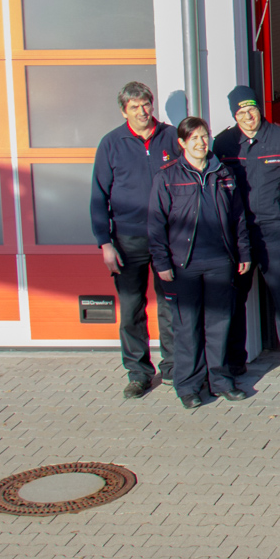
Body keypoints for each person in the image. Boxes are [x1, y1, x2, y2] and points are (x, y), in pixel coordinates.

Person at [148, 118, 253, 408]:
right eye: (193, 138)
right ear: (181, 143)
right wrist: (162, 262)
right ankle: (189, 386)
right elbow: (156, 224)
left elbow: (238, 217)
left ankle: (220, 381)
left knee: (219, 324)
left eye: (204, 136)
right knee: (187, 327)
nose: (200, 142)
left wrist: (243, 252)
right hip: (184, 265)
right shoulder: (167, 176)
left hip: (220, 261)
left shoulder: (223, 173)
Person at [213, 86, 280, 384]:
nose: (248, 117)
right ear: (234, 115)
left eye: (251, 109)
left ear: (260, 109)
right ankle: (234, 361)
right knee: (234, 297)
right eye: (241, 112)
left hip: (274, 229)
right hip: (237, 232)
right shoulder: (224, 143)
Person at [91, 81, 179, 397]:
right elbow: (98, 196)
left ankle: (173, 369)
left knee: (171, 306)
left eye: (146, 105)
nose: (142, 112)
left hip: (168, 238)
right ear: (123, 111)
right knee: (131, 310)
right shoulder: (111, 143)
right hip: (128, 240)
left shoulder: (171, 137)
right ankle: (138, 373)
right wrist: (105, 243)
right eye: (134, 107)